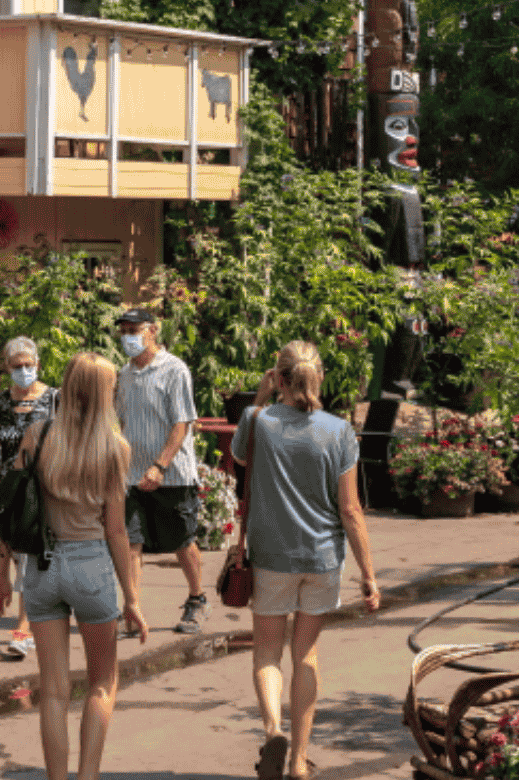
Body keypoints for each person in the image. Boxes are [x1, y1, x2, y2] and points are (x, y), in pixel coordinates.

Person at [0, 352, 147, 780]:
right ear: (105, 394)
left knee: (54, 691)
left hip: (41, 567)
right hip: (91, 565)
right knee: (102, 682)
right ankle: (88, 775)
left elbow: (12, 509)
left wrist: (1, 574)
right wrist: (132, 598)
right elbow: (116, 530)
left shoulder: (38, 435)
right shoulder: (115, 448)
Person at [230, 341, 379, 780]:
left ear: (278, 377)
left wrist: (260, 399)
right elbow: (350, 509)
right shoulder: (339, 431)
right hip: (321, 558)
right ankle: (297, 759)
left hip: (271, 556)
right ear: (320, 378)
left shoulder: (258, 421)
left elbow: (239, 457)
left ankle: (273, 730)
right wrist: (369, 574)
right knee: (306, 655)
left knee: (267, 653)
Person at [113, 306, 209, 635]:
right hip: (132, 475)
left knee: (182, 541)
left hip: (171, 475)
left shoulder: (174, 369)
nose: (128, 337)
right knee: (131, 543)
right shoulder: (125, 374)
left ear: (153, 331)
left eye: (134, 330)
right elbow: (120, 421)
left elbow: (182, 423)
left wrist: (160, 465)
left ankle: (197, 599)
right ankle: (132, 609)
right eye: (124, 331)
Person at [0, 336, 55, 660]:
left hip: (42, 490)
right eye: (17, 366)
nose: (24, 371)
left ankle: (23, 630)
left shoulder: (53, 400)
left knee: (30, 557)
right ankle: (32, 620)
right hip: (10, 490)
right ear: (7, 367)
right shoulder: (2, 402)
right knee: (12, 552)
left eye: (29, 365)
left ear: (38, 364)